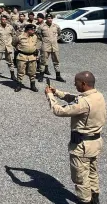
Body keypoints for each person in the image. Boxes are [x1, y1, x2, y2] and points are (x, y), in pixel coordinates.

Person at [46, 71, 105, 204]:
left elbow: (59, 111)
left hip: (82, 146)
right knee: (92, 172)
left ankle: (85, 201)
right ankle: (95, 197)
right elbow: (76, 98)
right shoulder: (98, 96)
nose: (74, 84)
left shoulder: (83, 103)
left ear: (83, 84)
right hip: (95, 143)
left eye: (76, 82)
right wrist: (57, 92)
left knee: (80, 178)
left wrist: (50, 96)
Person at [38, 13, 65, 82]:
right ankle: (41, 76)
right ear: (46, 19)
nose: (49, 19)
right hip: (45, 46)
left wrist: (56, 39)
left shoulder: (56, 26)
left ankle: (58, 76)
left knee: (56, 61)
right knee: (43, 61)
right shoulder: (41, 26)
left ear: (52, 19)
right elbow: (38, 34)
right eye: (48, 18)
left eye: (50, 18)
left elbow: (60, 34)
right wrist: (44, 40)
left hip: (54, 46)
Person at [13, 24, 39, 92]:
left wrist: (36, 50)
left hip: (32, 57)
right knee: (20, 72)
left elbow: (37, 44)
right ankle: (19, 85)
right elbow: (13, 43)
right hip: (22, 56)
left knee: (32, 72)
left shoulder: (35, 37)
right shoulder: (20, 37)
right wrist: (18, 49)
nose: (34, 31)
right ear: (28, 30)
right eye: (33, 30)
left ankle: (32, 85)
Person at [0, 15, 16, 82]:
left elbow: (13, 35)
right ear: (0, 20)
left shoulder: (10, 27)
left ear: (7, 20)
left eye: (5, 19)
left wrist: (12, 44)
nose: (3, 20)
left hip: (8, 46)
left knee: (10, 61)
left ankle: (12, 75)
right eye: (2, 19)